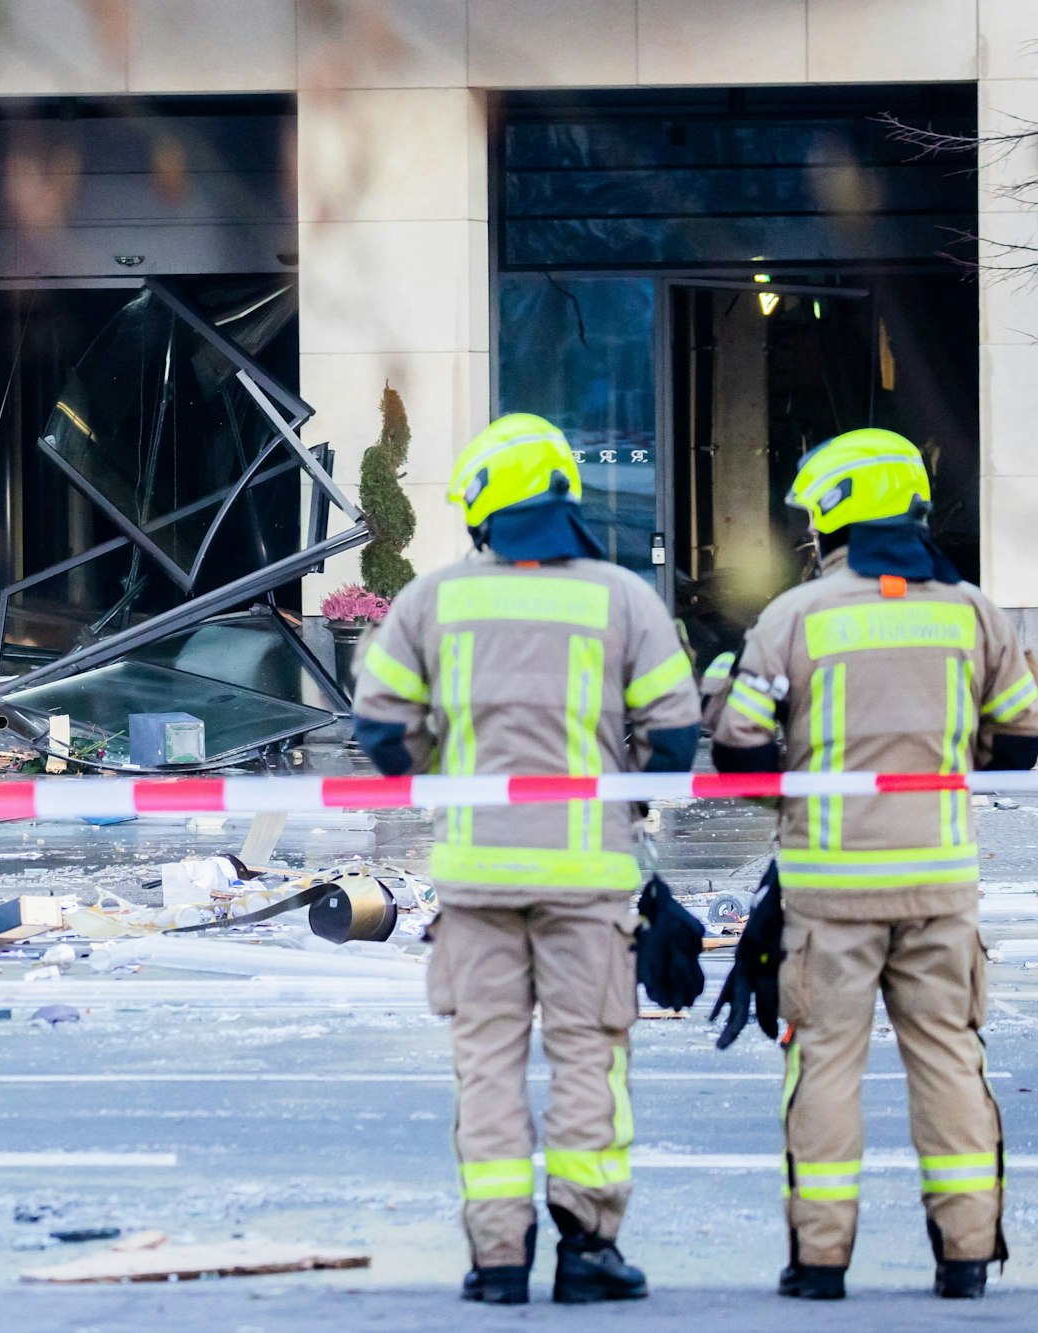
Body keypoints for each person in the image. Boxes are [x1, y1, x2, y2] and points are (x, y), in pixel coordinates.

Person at [353, 413, 701, 1304]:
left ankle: (498, 1259)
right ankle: (587, 1253)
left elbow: (381, 729)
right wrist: (629, 797)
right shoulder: (623, 597)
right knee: (590, 1057)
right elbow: (675, 731)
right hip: (588, 881)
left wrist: (438, 770)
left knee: (488, 1064)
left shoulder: (433, 599)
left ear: (484, 510)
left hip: (475, 882)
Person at [710, 428, 1038, 1301]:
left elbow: (739, 747)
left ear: (844, 510)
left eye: (817, 514)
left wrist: (792, 796)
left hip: (829, 891)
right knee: (948, 1062)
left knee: (823, 1066)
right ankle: (965, 1258)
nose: (811, 531)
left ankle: (819, 1263)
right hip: (938, 887)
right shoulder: (971, 610)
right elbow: (1023, 739)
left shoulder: (795, 616)